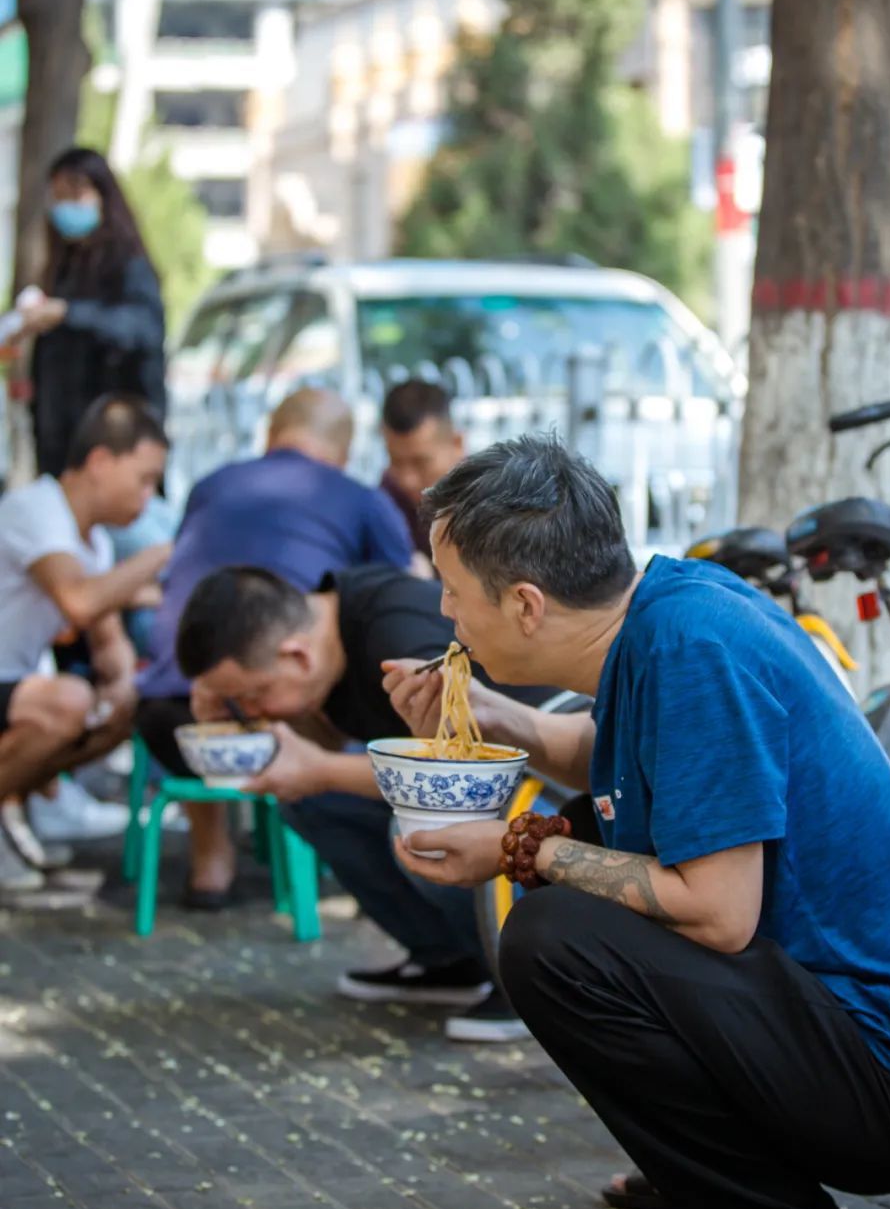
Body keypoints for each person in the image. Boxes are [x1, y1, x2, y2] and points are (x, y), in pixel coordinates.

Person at [382, 433, 890, 1209]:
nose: (443, 613)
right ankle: (721, 1164)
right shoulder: (667, 611)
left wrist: (517, 850)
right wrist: (500, 719)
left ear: (524, 603)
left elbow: (718, 913)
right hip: (827, 1033)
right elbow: (609, 755)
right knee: (578, 876)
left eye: (454, 592)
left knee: (552, 937)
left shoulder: (692, 649)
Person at [175, 563, 553, 1042]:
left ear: (296, 656)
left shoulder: (396, 635)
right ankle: (448, 961)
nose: (252, 712)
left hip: (548, 781)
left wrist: (319, 769)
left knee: (424, 830)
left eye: (251, 697)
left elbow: (450, 773)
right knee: (311, 800)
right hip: (478, 782)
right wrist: (236, 724)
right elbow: (330, 751)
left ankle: (523, 979)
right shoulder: (323, 643)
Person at [135, 387, 414, 909]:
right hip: (277, 721)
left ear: (269, 435)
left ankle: (210, 862)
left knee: (213, 692)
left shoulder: (209, 485)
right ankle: (318, 863)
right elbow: (391, 589)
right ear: (345, 451)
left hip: (166, 715)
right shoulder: (360, 498)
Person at [0, 396, 169, 894]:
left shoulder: (92, 543)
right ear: (100, 461)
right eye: (143, 479)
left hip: (10, 685)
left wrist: (120, 683)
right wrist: (165, 553)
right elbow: (79, 602)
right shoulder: (37, 509)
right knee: (68, 702)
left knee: (125, 705)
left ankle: (24, 811)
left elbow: (107, 639)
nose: (148, 498)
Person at [12, 147, 166, 479]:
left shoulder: (128, 267)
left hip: (115, 450)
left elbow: (143, 330)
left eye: (75, 193)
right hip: (62, 452)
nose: (65, 206)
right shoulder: (63, 269)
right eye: (58, 196)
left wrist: (69, 313)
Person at [380, 380, 464, 562]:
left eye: (420, 463)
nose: (406, 480)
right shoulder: (388, 493)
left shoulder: (491, 504)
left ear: (457, 444)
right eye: (395, 461)